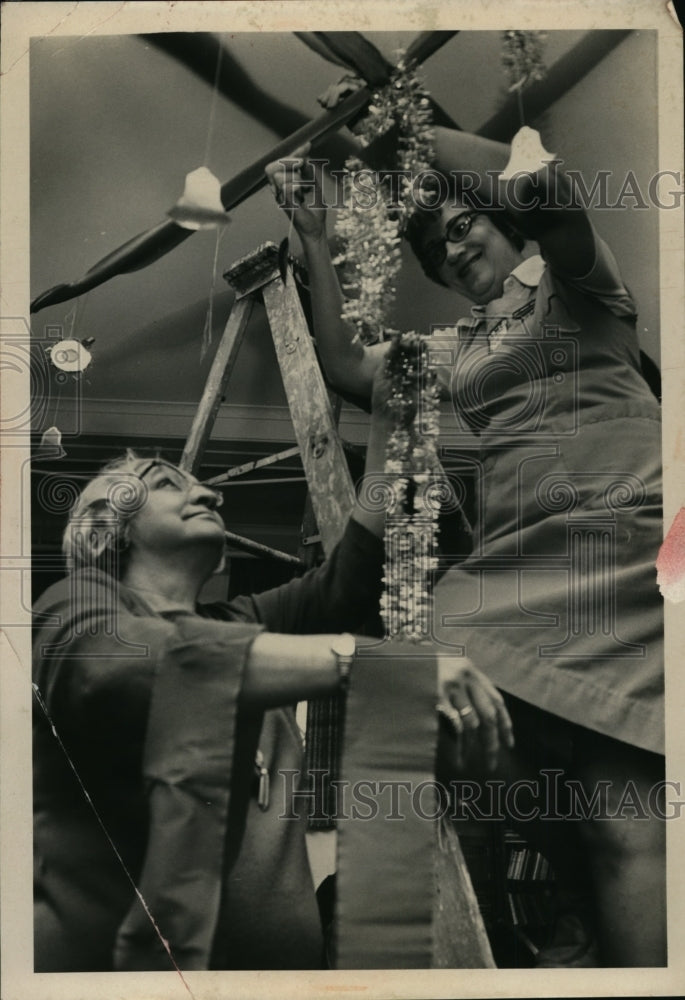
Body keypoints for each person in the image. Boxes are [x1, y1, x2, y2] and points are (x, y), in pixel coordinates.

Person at [265, 123, 665, 967]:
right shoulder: (456, 345)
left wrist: (395, 130)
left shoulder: (580, 288)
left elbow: (553, 205)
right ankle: (575, 882)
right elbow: (344, 365)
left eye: (460, 225)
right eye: (433, 252)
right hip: (517, 560)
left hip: (618, 546)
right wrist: (313, 234)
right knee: (418, 661)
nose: (451, 251)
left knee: (626, 820)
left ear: (495, 217)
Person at [32, 392, 514, 971]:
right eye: (167, 485)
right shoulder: (73, 604)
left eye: (203, 487)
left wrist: (389, 415)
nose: (209, 492)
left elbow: (351, 576)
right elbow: (124, 672)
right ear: (113, 525)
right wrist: (360, 660)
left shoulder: (239, 623)